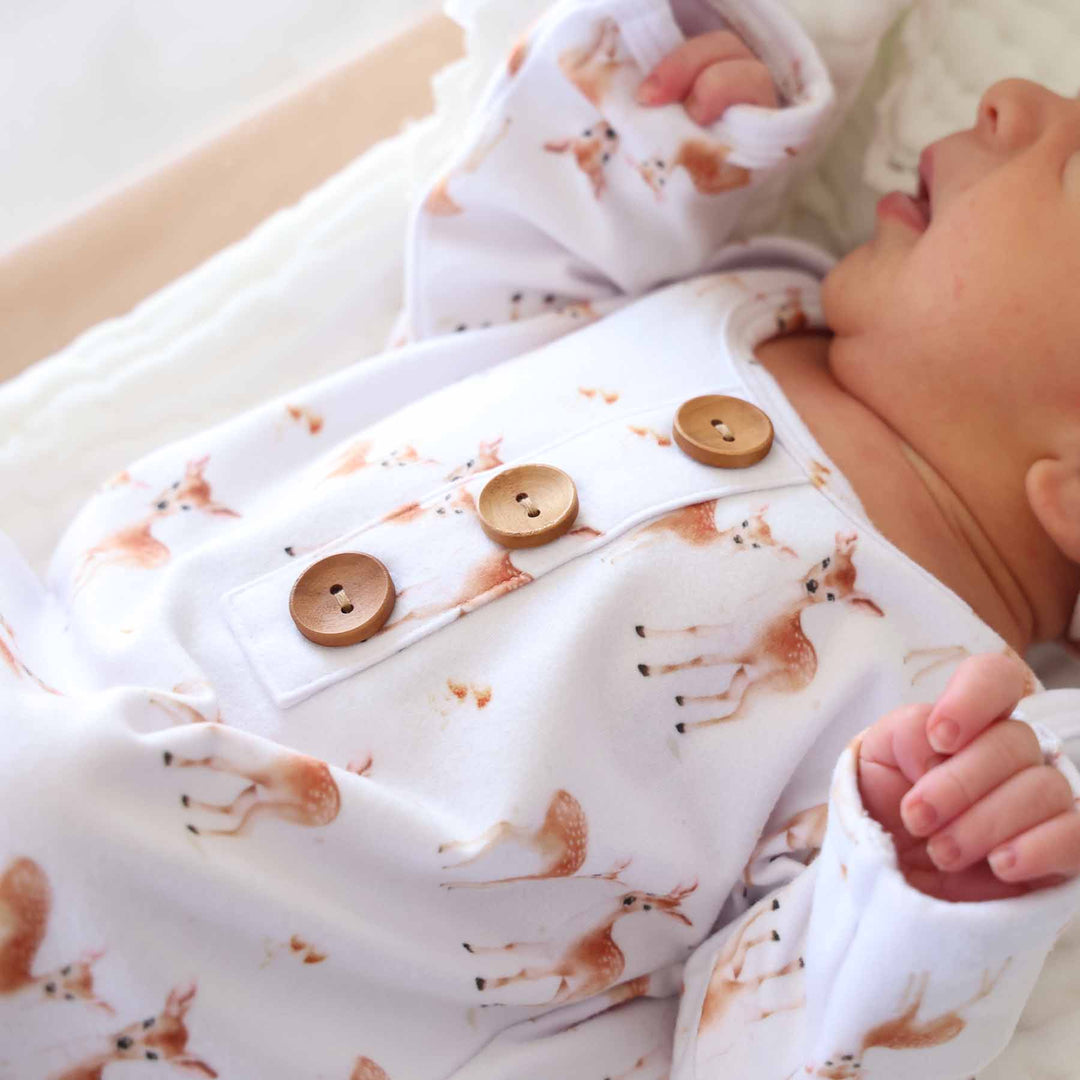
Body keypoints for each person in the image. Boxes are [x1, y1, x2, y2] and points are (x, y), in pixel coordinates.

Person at [1, 0, 1078, 1076]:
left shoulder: (942, 742)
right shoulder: (754, 295)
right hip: (82, 638)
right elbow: (477, 297)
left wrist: (914, 912)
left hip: (200, 960)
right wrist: (660, 108)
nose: (1017, 99)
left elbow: (757, 1038)